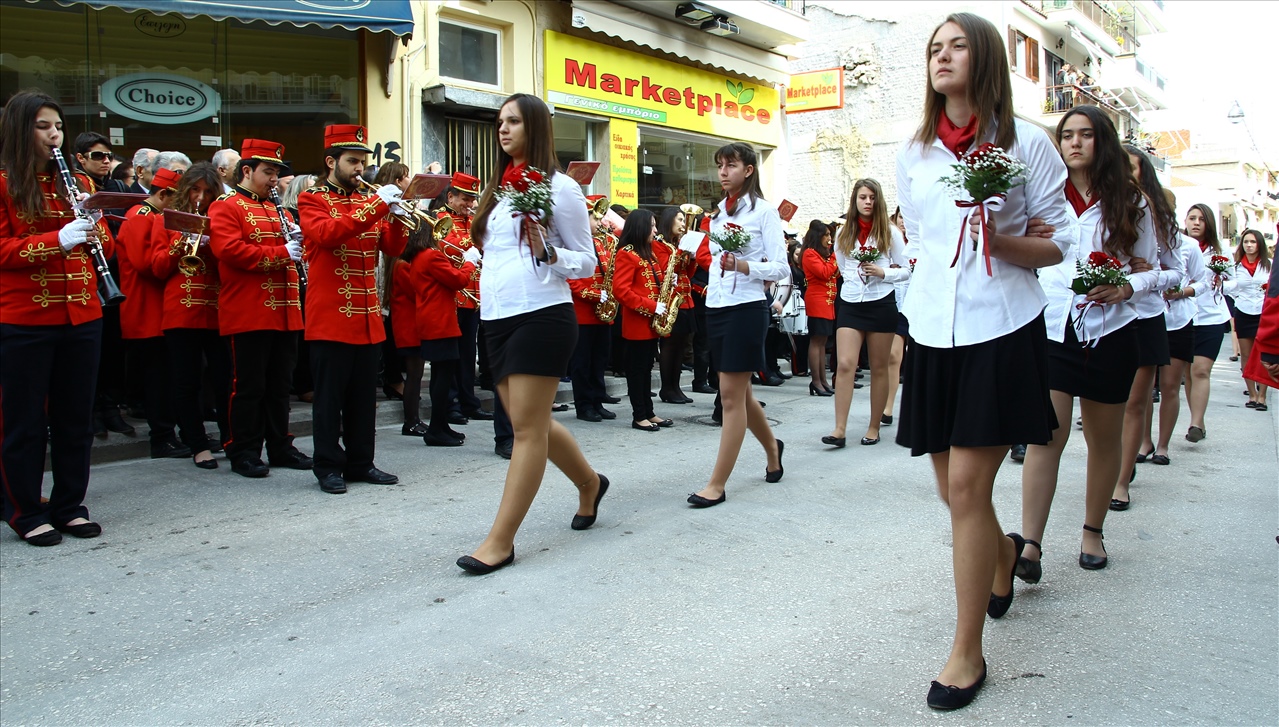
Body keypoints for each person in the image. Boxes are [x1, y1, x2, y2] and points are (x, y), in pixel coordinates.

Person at [895, 13, 1073, 709]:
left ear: (986, 57)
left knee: (968, 487)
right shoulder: (914, 151)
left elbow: (1056, 243)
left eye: (957, 45)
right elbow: (919, 236)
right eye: (933, 48)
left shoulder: (1027, 144)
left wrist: (1001, 239)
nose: (941, 57)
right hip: (931, 329)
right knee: (952, 491)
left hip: (1001, 325)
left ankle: (966, 652)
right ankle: (1002, 553)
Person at [458, 93, 606, 575]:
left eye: (514, 121)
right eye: (500, 121)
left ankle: (500, 541)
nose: (503, 129)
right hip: (496, 317)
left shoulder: (561, 188)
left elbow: (587, 261)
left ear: (536, 127)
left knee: (525, 430)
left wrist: (548, 252)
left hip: (541, 314)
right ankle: (590, 483)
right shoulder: (498, 189)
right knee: (533, 422)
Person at [1018, 105, 1159, 583]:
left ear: (1104, 142)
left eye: (1085, 135)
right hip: (1053, 327)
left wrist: (1126, 287)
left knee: (1103, 439)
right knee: (1047, 436)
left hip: (1111, 331)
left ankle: (1092, 531)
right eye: (1066, 135)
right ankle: (1030, 544)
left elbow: (1156, 270)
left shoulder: (1131, 202)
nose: (1074, 143)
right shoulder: (1042, 194)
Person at [0, 90, 113, 545]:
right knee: (24, 421)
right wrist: (58, 240)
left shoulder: (76, 183)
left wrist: (95, 224)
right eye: (43, 126)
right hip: (25, 317)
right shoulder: (4, 182)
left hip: (82, 312)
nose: (54, 135)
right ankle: (25, 510)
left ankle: (69, 505)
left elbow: (103, 243)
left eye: (59, 127)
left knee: (75, 419)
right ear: (20, 129)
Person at [297, 125, 408, 494]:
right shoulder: (312, 199)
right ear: (332, 162)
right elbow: (328, 235)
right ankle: (328, 465)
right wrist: (377, 206)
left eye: (362, 161)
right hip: (330, 316)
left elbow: (392, 248)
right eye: (353, 161)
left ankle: (361, 462)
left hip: (366, 316)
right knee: (329, 400)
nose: (360, 168)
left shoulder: (368, 199)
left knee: (363, 399)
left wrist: (396, 215)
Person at [687, 141, 788, 508]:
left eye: (730, 165)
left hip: (747, 308)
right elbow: (713, 263)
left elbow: (781, 267)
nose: (723, 172)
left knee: (729, 396)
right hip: (717, 307)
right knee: (740, 393)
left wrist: (744, 266)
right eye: (719, 165)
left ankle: (716, 484)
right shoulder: (716, 215)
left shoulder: (764, 212)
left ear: (748, 170)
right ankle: (773, 449)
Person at [207, 139, 313, 478]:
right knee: (248, 386)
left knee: (280, 385)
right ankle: (244, 449)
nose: (273, 179)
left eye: (276, 173)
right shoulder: (226, 206)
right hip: (249, 310)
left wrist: (299, 242)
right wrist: (283, 252)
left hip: (285, 309)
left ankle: (280, 445)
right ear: (247, 171)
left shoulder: (279, 209)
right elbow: (229, 251)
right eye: (268, 172)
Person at [1109, 146, 1185, 510]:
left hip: (1145, 315)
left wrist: (1150, 274)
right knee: (1107, 406)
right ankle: (1111, 466)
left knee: (1135, 403)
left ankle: (1120, 482)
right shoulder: (1100, 208)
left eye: (1133, 168)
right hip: (1106, 318)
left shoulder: (1159, 217)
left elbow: (1176, 272)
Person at [150, 161, 229, 469]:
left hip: (217, 309)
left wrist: (214, 245)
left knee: (224, 380)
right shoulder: (166, 220)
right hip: (181, 310)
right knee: (187, 381)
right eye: (195, 190)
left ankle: (230, 439)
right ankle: (197, 444)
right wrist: (180, 243)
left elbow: (232, 264)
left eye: (208, 192)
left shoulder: (221, 218)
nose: (200, 197)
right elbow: (157, 268)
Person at [825, 178, 909, 448]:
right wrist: (856, 277)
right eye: (863, 197)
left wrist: (883, 272)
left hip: (881, 302)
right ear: (855, 200)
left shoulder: (890, 232)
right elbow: (842, 266)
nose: (868, 202)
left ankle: (874, 427)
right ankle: (839, 429)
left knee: (879, 367)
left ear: (878, 200)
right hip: (851, 302)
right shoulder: (843, 233)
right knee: (845, 364)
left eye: (872, 198)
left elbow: (907, 269)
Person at [116, 165, 191, 459]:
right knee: (158, 379)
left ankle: (177, 432)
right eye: (177, 200)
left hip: (161, 309)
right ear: (163, 195)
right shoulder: (139, 216)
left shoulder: (153, 216)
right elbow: (145, 264)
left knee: (170, 377)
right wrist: (178, 246)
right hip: (145, 309)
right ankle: (162, 437)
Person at [1145, 197, 1208, 467]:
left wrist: (1183, 292)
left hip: (1179, 320)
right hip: (1147, 318)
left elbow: (1202, 281)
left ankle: (1163, 446)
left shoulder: (1188, 245)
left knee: (1170, 387)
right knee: (1143, 389)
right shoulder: (1141, 237)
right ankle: (1144, 441)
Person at [411, 218, 479, 446]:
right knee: (443, 377)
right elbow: (458, 280)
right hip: (440, 322)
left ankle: (440, 425)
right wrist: (469, 262)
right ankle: (436, 429)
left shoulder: (421, 256)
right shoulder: (432, 255)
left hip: (434, 320)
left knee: (442, 375)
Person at [436, 172, 491, 424]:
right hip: (453, 294)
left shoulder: (472, 220)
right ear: (450, 197)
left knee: (468, 354)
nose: (470, 204)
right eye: (465, 199)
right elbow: (451, 247)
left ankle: (468, 401)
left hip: (473, 295)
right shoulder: (440, 219)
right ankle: (452, 404)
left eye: (472, 199)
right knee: (452, 354)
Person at [612, 209, 672, 432]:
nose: (655, 230)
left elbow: (654, 283)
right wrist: (652, 306)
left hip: (651, 324)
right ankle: (639, 416)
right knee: (637, 371)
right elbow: (621, 291)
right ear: (640, 227)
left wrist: (670, 281)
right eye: (652, 226)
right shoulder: (626, 253)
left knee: (647, 369)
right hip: (637, 323)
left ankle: (649, 412)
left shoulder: (649, 253)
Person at [1183, 203, 1232, 442]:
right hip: (1185, 317)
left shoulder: (1220, 251)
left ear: (1209, 223)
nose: (1196, 223)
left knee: (1201, 370)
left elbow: (1234, 282)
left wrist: (1221, 283)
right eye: (1192, 218)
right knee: (1188, 373)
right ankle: (1198, 421)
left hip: (1212, 317)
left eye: (1201, 219)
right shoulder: (1179, 246)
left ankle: (1195, 423)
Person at [568, 196, 619, 423]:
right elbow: (572, 281)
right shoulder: (573, 244)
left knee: (599, 360)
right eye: (595, 218)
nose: (601, 222)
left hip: (603, 314)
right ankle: (584, 405)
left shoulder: (601, 242)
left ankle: (598, 401)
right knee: (582, 363)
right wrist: (596, 295)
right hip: (583, 313)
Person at [373, 162, 411, 403]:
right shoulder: (377, 198)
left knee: (391, 326)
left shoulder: (401, 201)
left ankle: (392, 376)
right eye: (406, 177)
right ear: (397, 180)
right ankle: (390, 377)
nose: (409, 181)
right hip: (380, 265)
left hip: (393, 263)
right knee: (385, 326)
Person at [654, 206, 698, 404]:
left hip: (685, 298)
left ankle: (676, 387)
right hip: (670, 299)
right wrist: (682, 251)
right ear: (669, 220)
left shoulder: (678, 244)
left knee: (681, 345)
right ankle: (667, 388)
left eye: (683, 220)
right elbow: (665, 269)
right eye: (679, 220)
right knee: (670, 345)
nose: (682, 224)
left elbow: (688, 273)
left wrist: (692, 258)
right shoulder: (660, 244)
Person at [1226, 229, 1270, 410]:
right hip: (1243, 312)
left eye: (1253, 242)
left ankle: (1262, 396)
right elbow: (1230, 287)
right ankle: (1252, 394)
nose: (1249, 245)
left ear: (1259, 244)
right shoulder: (1236, 266)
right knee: (1246, 355)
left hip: (1263, 312)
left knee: (1263, 354)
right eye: (1246, 242)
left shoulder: (1269, 265)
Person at [882, 206, 914, 425]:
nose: (904, 221)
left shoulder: (922, 242)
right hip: (897, 304)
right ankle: (888, 407)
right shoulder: (890, 240)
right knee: (893, 357)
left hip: (920, 305)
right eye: (901, 216)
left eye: (908, 217)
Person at [800, 218, 838, 396]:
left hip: (827, 302)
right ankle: (816, 381)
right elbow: (825, 273)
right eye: (826, 235)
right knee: (816, 342)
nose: (829, 238)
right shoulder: (809, 253)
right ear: (818, 236)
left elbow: (834, 274)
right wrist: (835, 256)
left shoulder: (822, 254)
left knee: (822, 343)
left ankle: (823, 381)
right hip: (817, 301)